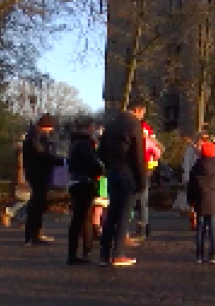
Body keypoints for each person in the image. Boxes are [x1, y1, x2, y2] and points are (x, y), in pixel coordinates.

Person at [97, 98, 147, 267]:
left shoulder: (111, 125)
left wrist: (110, 165)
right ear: (139, 110)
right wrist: (142, 179)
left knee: (111, 213)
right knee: (124, 214)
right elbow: (139, 155)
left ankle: (104, 253)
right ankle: (118, 253)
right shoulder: (134, 125)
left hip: (112, 172)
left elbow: (101, 152)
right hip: (128, 174)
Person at [67, 117, 105, 265]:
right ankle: (83, 251)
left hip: (76, 182)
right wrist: (101, 170)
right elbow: (94, 164)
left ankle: (77, 252)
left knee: (79, 218)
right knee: (83, 218)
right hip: (85, 182)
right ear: (88, 128)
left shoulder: (75, 143)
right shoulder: (85, 144)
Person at [22, 114, 63, 246]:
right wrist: (61, 161)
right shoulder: (38, 137)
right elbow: (44, 155)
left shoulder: (33, 135)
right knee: (37, 205)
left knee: (36, 204)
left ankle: (34, 234)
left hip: (35, 173)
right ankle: (33, 235)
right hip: (39, 174)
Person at [188, 140, 215, 264]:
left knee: (200, 230)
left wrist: (191, 202)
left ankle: (199, 255)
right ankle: (214, 255)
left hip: (200, 201)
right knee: (213, 229)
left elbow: (191, 187)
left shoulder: (195, 167)